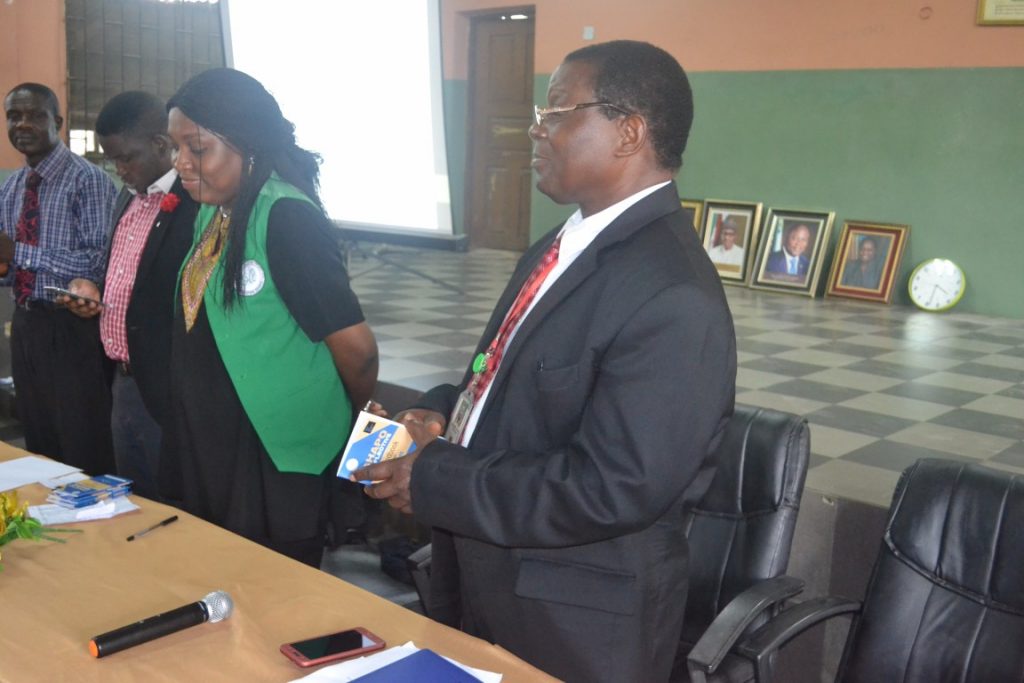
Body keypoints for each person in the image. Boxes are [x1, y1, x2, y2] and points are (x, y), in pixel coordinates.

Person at [355, 41, 736, 681]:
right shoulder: (561, 246)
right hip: (488, 583)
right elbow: (502, 378)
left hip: (572, 627)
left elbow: (612, 486)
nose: (535, 128)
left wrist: (434, 477)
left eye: (557, 111)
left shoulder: (673, 294)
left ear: (629, 132)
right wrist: (438, 414)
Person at [162, 68, 378, 567]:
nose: (181, 163)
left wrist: (355, 414)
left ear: (249, 146)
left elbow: (357, 350)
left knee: (274, 588)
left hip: (272, 453)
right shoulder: (214, 209)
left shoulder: (286, 217)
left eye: (197, 148)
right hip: (215, 443)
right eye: (175, 148)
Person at [60, 91, 199, 500]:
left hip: (166, 385)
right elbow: (122, 271)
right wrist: (93, 290)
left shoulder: (193, 203)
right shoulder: (128, 197)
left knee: (173, 503)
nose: (119, 170)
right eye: (112, 160)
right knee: (133, 498)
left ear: (159, 144)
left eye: (126, 158)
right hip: (122, 381)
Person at [0, 83, 116, 474]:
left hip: (72, 326)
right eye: (13, 116)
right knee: (39, 440)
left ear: (58, 122)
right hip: (27, 324)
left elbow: (97, 262)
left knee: (82, 443)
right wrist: (5, 267)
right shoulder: (12, 186)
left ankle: (97, 513)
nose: (22, 125)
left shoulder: (87, 180)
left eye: (34, 115)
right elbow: (10, 269)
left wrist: (17, 253)